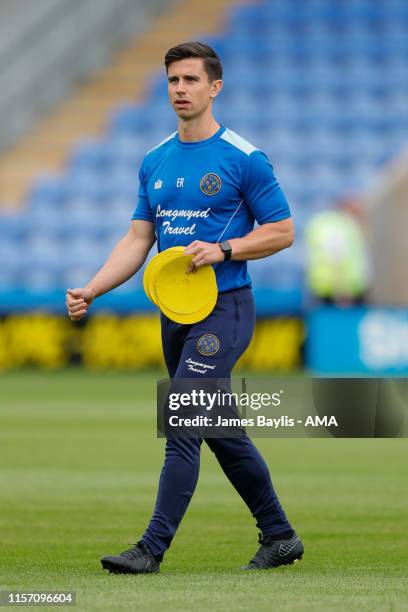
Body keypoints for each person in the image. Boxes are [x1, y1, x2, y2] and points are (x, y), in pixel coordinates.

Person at [66, 41, 304, 573]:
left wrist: (224, 249)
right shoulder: (155, 159)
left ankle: (151, 550)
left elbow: (283, 231)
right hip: (173, 313)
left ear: (214, 87)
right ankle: (280, 535)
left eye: (191, 80)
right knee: (219, 430)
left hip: (225, 308)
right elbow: (136, 240)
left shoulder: (244, 158)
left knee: (182, 419)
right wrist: (92, 288)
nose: (180, 89)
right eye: (173, 80)